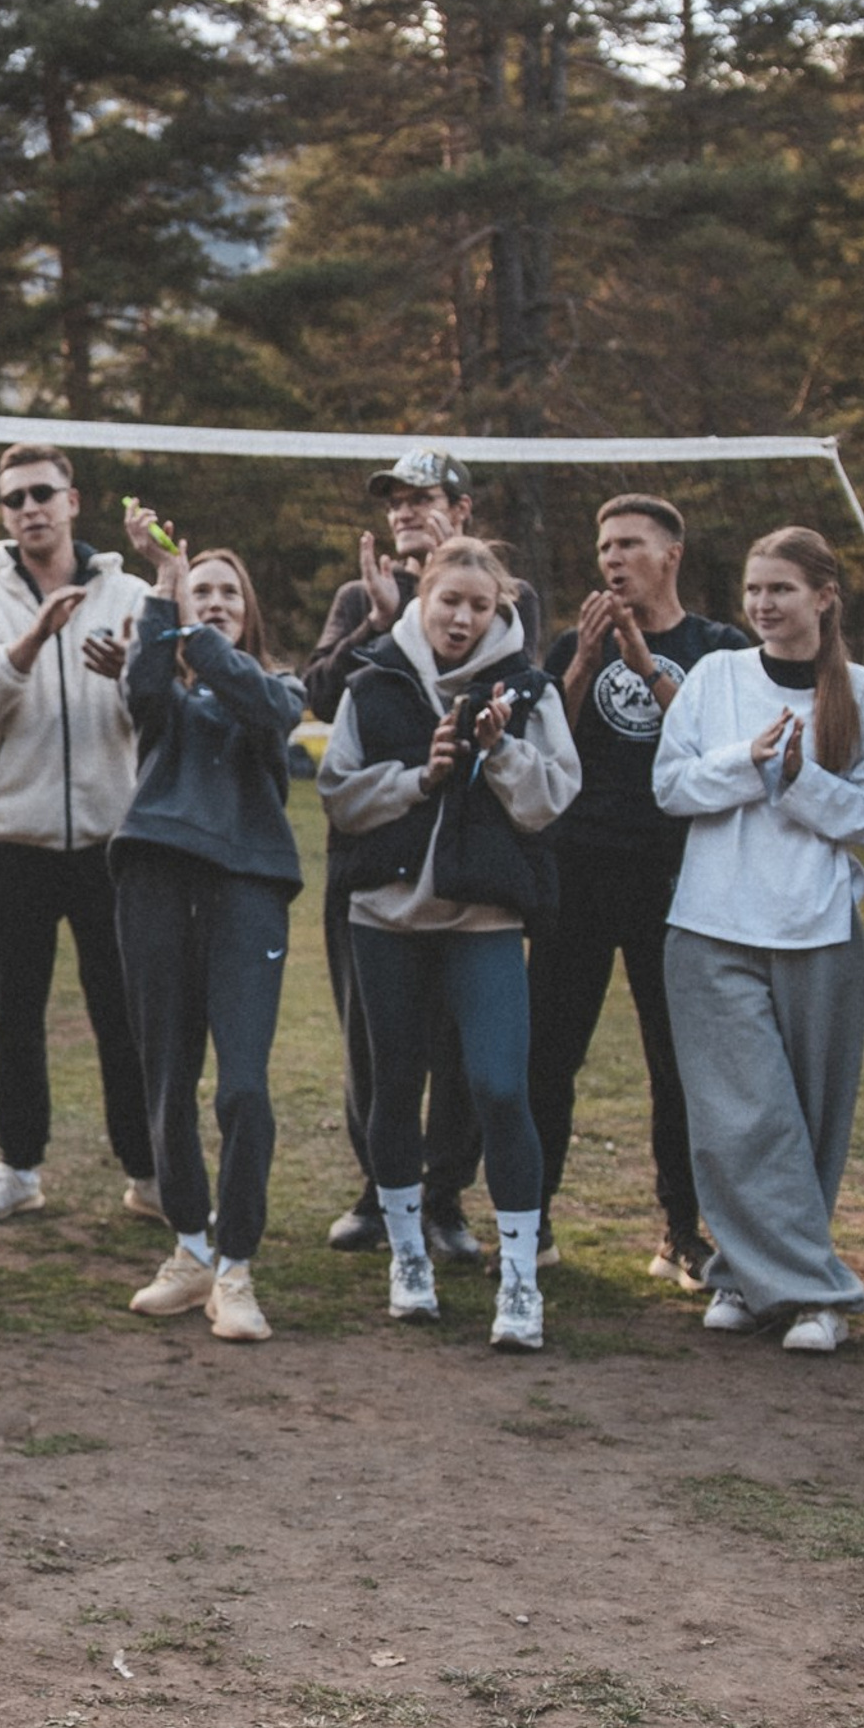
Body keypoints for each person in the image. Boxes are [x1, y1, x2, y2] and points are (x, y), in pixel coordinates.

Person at [317, 535, 580, 1351]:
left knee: (501, 1087)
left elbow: (551, 802)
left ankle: (519, 1280)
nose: (461, 618)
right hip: (386, 920)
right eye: (448, 602)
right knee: (391, 1090)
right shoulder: (375, 684)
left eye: (479, 605)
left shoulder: (530, 692)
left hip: (485, 921)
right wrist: (418, 780)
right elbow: (339, 798)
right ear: (421, 600)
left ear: (500, 610)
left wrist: (498, 749)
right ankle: (407, 1259)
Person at [656, 527, 864, 1353]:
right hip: (711, 928)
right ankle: (819, 1294)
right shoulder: (717, 677)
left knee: (807, 1121)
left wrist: (798, 781)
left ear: (824, 597)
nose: (762, 605)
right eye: (754, 590)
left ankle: (750, 1281)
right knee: (738, 1119)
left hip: (816, 931)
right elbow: (671, 785)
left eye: (780, 590)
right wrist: (746, 763)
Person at [302, 448, 523, 1264]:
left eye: (422, 498)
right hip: (374, 855)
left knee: (466, 1042)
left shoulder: (506, 599)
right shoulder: (362, 595)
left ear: (461, 511)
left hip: (472, 864)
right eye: (393, 501)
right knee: (375, 1036)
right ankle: (379, 1191)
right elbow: (320, 693)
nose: (403, 513)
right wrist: (377, 618)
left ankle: (445, 1200)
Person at [0, 441, 157, 1223]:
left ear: (73, 501)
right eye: (15, 499)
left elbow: (164, 710)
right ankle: (17, 1169)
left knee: (123, 1015)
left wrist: (133, 672)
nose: (29, 509)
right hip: (5, 840)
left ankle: (149, 1174)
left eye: (42, 495)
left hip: (110, 839)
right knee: (13, 1015)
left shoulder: (131, 594)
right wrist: (28, 643)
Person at [526, 496, 747, 1282]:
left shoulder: (718, 650)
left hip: (674, 878)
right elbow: (544, 742)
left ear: (672, 554)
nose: (612, 560)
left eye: (629, 545)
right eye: (604, 547)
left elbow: (719, 748)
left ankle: (681, 1230)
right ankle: (534, 1223)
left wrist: (646, 666)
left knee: (675, 1062)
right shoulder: (570, 643)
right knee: (548, 1054)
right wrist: (586, 662)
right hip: (578, 873)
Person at [110, 509, 307, 1344]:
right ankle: (190, 1248)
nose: (215, 601)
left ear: (246, 611)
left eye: (229, 593)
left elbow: (266, 710)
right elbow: (141, 690)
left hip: (248, 887)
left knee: (243, 1087)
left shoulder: (277, 685)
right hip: (154, 877)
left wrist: (192, 620)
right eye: (205, 589)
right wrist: (164, 587)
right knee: (166, 1077)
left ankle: (236, 1267)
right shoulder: (166, 681)